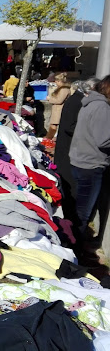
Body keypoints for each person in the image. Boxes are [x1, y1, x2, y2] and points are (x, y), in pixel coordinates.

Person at [69, 75, 110, 245]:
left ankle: (77, 243)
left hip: (81, 161)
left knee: (82, 209)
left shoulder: (90, 103)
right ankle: (77, 250)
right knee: (83, 212)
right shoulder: (102, 107)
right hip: (90, 165)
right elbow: (104, 140)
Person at [54, 79, 93, 223]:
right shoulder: (77, 102)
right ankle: (71, 220)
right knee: (70, 186)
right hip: (68, 150)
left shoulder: (75, 100)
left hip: (67, 149)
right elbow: (70, 126)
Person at [45, 72, 71, 140]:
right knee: (53, 126)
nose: (55, 83)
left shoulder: (64, 89)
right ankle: (49, 138)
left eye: (56, 81)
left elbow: (59, 100)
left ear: (59, 81)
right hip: (57, 110)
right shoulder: (61, 89)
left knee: (54, 126)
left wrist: (50, 99)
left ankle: (49, 139)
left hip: (59, 110)